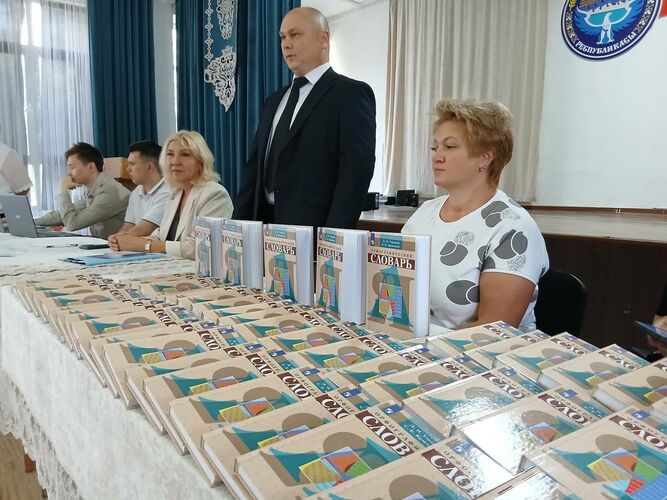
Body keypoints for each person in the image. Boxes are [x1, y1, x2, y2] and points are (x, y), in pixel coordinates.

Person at [402, 99, 549, 331]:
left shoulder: (513, 228)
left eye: (450, 147)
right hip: (413, 342)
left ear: (485, 157)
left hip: (478, 351)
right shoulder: (424, 212)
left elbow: (492, 331)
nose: (437, 157)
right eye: (435, 147)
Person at [233, 7, 375, 229]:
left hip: (314, 229)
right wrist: (236, 228)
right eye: (282, 37)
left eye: (295, 35)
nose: (286, 44)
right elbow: (254, 170)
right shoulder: (274, 100)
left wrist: (333, 237)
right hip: (262, 226)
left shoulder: (350, 94)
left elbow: (355, 173)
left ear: (323, 39)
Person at [109, 131, 233, 260]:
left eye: (185, 154)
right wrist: (123, 240)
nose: (175, 161)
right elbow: (160, 236)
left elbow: (201, 248)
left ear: (201, 162)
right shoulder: (175, 193)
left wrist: (144, 245)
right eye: (170, 154)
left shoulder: (214, 194)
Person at [34, 142, 130, 239]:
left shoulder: (109, 192)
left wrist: (62, 190)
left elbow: (72, 224)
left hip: (120, 246)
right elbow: (63, 215)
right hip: (105, 244)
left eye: (72, 167)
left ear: (91, 167)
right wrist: (33, 222)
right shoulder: (93, 189)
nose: (69, 173)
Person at [107, 141, 169, 244]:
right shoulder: (136, 191)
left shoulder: (167, 192)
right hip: (135, 247)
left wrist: (117, 240)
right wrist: (116, 239)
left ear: (149, 166)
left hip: (155, 249)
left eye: (132, 164)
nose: (128, 169)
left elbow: (143, 230)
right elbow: (128, 225)